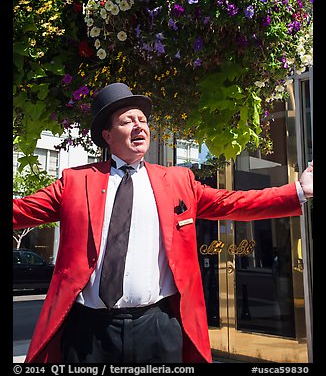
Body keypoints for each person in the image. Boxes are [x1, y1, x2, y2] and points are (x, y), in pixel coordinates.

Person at [13, 82, 313, 364]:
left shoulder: (178, 181)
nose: (139, 125)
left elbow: (231, 202)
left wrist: (298, 191)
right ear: (107, 135)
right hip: (88, 331)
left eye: (142, 119)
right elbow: (21, 210)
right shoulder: (75, 182)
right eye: (127, 120)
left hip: (157, 325)